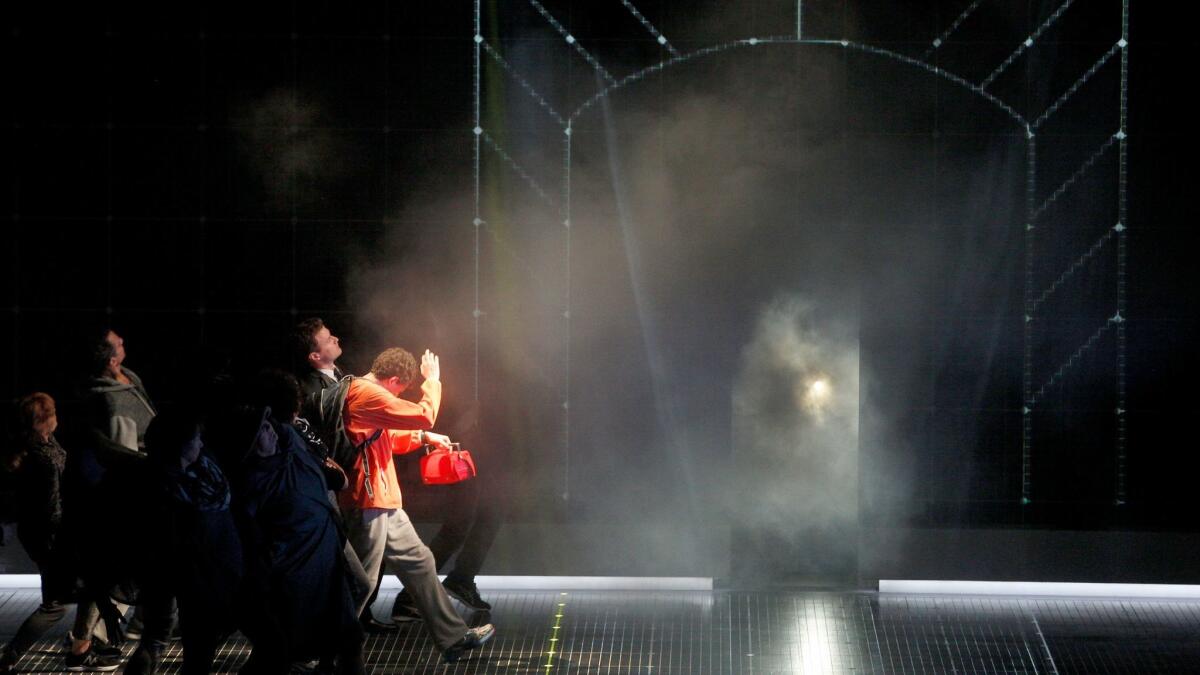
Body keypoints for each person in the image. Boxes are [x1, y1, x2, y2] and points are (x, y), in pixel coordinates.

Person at [337, 347, 493, 663]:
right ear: (394, 380)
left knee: (420, 562)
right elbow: (423, 413)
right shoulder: (367, 392)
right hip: (368, 501)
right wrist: (432, 381)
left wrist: (424, 438)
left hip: (382, 500)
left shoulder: (366, 394)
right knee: (359, 585)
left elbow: (388, 438)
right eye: (400, 390)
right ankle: (319, 651)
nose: (398, 397)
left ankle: (453, 638)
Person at [234, 400, 364, 674]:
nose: (269, 433)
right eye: (261, 432)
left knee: (350, 639)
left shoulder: (292, 449)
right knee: (280, 652)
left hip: (327, 563)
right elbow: (252, 539)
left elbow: (286, 428)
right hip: (295, 574)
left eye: (269, 427)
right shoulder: (253, 484)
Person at [0, 393, 119, 673]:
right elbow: (52, 508)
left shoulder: (36, 445)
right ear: (47, 420)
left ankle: (80, 651)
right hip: (53, 539)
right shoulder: (45, 458)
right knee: (56, 605)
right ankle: (9, 658)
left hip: (41, 535)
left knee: (88, 588)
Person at [122, 410, 243, 675]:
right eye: (197, 439)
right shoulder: (198, 481)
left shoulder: (152, 475)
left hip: (167, 572)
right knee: (197, 645)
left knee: (156, 638)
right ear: (182, 444)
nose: (201, 443)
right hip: (195, 574)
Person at [294, 318, 346, 401]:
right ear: (315, 356)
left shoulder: (340, 369)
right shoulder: (314, 393)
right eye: (329, 339)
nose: (336, 339)